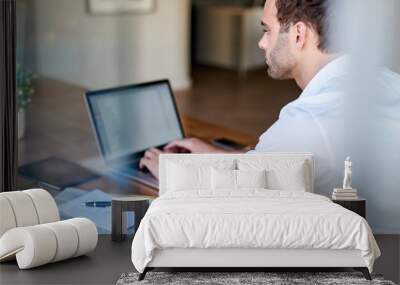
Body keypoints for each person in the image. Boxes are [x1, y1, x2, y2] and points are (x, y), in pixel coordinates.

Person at [139, 0, 400, 206]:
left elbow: (241, 197)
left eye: (267, 30)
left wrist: (172, 173)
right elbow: (275, 163)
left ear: (299, 34)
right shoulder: (384, 80)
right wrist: (213, 154)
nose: (262, 43)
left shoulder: (310, 118)